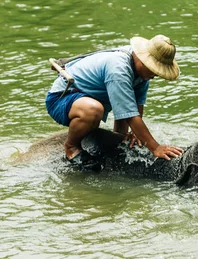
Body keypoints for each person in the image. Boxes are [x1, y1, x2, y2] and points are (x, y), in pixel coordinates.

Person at [45, 34, 184, 170]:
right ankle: (71, 146)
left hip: (88, 98)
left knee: (123, 115)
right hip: (62, 98)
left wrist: (134, 134)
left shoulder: (141, 72)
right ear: (142, 60)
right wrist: (155, 147)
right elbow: (130, 116)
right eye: (154, 70)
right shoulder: (119, 69)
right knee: (94, 110)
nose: (155, 75)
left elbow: (136, 104)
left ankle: (118, 142)